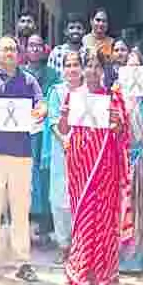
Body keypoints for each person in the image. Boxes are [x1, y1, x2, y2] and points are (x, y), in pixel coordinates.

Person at [0, 36, 47, 282]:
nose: (9, 53)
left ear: (19, 53)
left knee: (20, 210)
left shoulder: (29, 80)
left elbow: (41, 104)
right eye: (5, 49)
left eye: (13, 49)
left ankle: (23, 262)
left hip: (21, 154)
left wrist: (41, 111)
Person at [57, 49, 130, 285]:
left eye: (97, 66)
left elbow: (123, 133)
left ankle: (102, 270)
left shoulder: (112, 97)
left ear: (103, 70)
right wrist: (64, 116)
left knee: (103, 214)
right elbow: (64, 129)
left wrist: (117, 123)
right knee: (83, 212)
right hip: (80, 162)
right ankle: (81, 267)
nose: (92, 71)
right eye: (88, 66)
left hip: (105, 162)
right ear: (82, 69)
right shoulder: (73, 96)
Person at [117, 51, 143, 275]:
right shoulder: (117, 92)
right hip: (123, 155)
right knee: (124, 206)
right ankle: (122, 257)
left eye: (137, 66)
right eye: (129, 65)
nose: (134, 70)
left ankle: (142, 257)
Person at [44, 52, 84, 267]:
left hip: (84, 151)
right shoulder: (56, 91)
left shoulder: (89, 92)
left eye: (76, 64)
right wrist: (65, 141)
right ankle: (63, 246)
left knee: (81, 196)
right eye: (68, 65)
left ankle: (80, 247)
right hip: (62, 151)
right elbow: (52, 121)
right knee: (59, 199)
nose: (72, 69)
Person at [23, 34, 61, 249]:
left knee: (44, 176)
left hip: (45, 133)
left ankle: (45, 227)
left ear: (45, 49)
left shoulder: (53, 75)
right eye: (31, 45)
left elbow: (56, 99)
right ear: (26, 49)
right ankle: (25, 228)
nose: (35, 49)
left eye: (39, 45)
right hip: (24, 131)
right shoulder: (19, 73)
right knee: (25, 176)